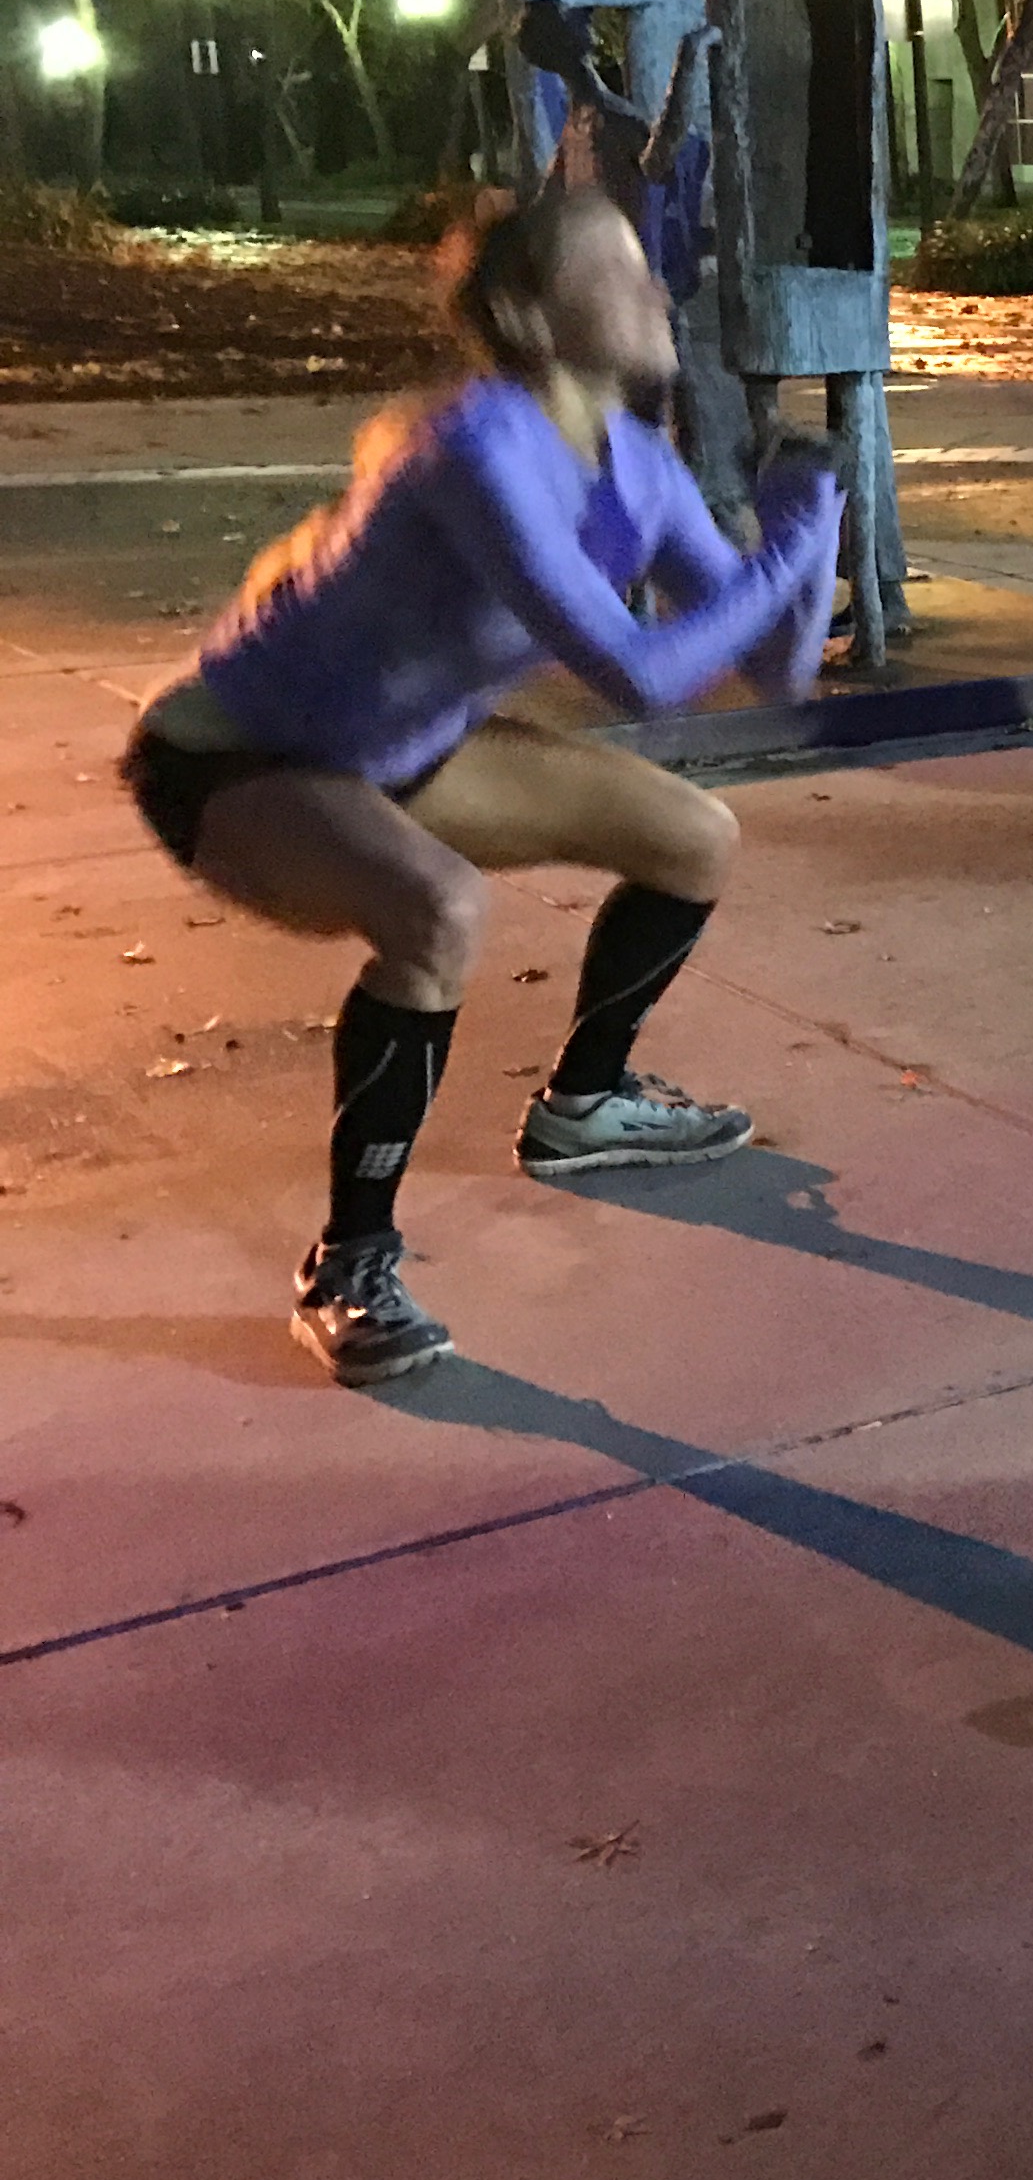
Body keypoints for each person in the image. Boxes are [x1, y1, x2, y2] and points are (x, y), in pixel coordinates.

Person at [121, 187, 842, 1388]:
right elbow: (640, 673)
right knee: (438, 911)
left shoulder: (640, 467)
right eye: (619, 273)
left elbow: (776, 666)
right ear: (532, 317)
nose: (658, 291)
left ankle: (585, 1106)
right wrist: (784, 557)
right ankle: (350, 1265)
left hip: (403, 753)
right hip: (235, 757)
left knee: (694, 836)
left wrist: (806, 530)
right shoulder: (477, 446)